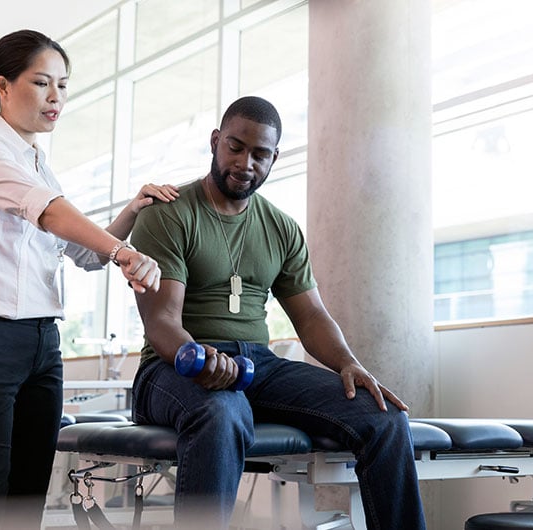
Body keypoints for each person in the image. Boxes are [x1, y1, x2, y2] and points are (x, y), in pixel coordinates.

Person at [130, 96, 425, 530]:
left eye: (260, 154)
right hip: (172, 365)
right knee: (221, 411)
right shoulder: (171, 213)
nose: (245, 163)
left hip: (255, 366)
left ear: (274, 158)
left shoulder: (282, 228)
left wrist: (349, 362)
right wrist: (201, 359)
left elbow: (310, 316)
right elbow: (162, 323)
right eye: (235, 147)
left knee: (383, 416)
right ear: (215, 142)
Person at [0, 29, 178, 530]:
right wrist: (124, 251)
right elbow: (46, 211)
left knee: (24, 505)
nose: (55, 97)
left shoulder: (40, 163)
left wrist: (133, 209)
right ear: (3, 86)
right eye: (42, 83)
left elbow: (84, 254)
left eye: (63, 85)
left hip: (42, 343)